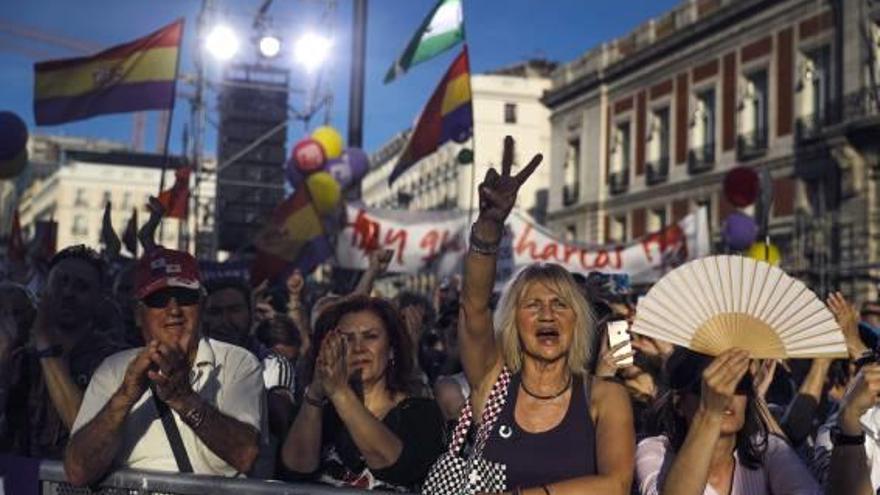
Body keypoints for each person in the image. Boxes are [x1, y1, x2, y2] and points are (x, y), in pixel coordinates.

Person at [427, 136, 634, 494]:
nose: (547, 315)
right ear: (513, 321)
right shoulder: (492, 384)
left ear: (576, 321)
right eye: (533, 305)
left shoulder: (603, 397)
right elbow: (474, 307)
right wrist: (490, 226)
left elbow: (615, 484)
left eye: (559, 304)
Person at [64, 248, 264, 485]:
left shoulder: (238, 363)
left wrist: (184, 400)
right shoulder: (114, 369)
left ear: (202, 305)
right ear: (139, 314)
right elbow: (78, 472)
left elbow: (245, 455)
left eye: (185, 298)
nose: (174, 311)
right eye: (158, 300)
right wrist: (124, 397)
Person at [280, 295, 446, 491]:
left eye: (371, 336)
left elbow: (396, 467)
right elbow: (296, 470)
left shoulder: (422, 413)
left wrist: (340, 392)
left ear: (392, 348)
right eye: (347, 339)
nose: (359, 348)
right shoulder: (320, 413)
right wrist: (316, 393)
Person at [636, 348, 822, 495]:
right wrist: (709, 414)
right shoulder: (656, 451)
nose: (725, 395)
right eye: (708, 388)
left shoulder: (766, 448)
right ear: (679, 402)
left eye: (739, 384)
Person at [1, 246, 124, 459]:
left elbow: (90, 440)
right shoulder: (21, 359)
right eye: (61, 282)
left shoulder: (114, 362)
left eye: (81, 287)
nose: (68, 293)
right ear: (44, 290)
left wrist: (46, 346)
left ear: (99, 300)